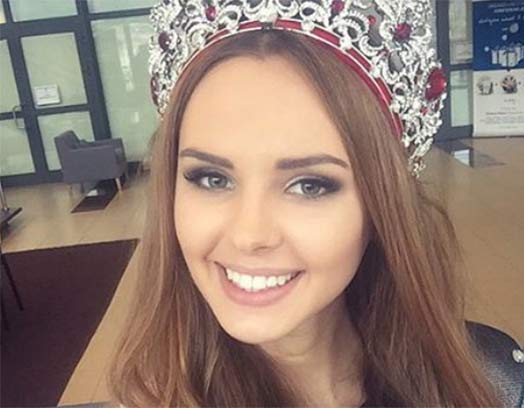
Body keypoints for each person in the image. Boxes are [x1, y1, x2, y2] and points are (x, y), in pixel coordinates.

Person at [108, 0, 499, 406]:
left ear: (381, 207)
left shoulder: (485, 383)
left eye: (309, 186)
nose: (248, 235)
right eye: (212, 178)